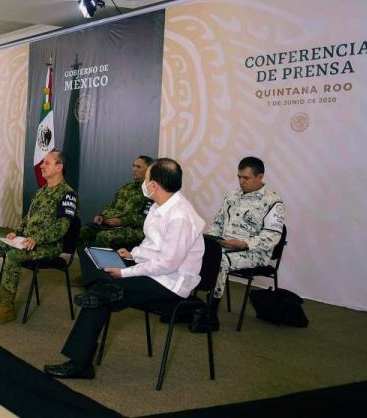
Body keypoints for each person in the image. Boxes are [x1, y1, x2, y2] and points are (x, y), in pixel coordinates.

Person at [44, 158, 205, 379]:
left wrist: (125, 272)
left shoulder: (180, 216)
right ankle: (104, 288)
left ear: (155, 185)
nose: (144, 184)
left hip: (169, 282)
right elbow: (151, 245)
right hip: (150, 269)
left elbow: (167, 264)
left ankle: (80, 364)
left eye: (147, 179)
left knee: (100, 297)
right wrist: (131, 254)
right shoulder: (160, 206)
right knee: (90, 250)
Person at [0, 150, 78, 324]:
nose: (41, 166)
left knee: (13, 255)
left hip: (47, 245)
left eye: (47, 163)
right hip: (25, 240)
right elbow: (28, 218)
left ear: (59, 167)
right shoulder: (42, 191)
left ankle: (7, 307)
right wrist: (16, 233)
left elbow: (62, 227)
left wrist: (37, 239)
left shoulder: (67, 194)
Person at [190, 156, 284, 333]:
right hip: (226, 246)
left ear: (260, 177)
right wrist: (211, 240)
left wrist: (244, 243)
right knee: (195, 252)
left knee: (220, 261)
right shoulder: (232, 196)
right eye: (239, 177)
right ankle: (187, 304)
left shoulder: (273, 201)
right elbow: (218, 223)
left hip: (254, 253)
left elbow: (272, 236)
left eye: (246, 178)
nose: (241, 181)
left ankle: (210, 315)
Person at [72, 156, 154, 286]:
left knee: (103, 237)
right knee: (83, 232)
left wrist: (123, 221)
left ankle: (107, 278)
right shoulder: (126, 188)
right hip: (112, 225)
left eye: (138, 167)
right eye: (133, 165)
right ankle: (89, 274)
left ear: (149, 170)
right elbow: (112, 206)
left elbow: (147, 219)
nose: (134, 169)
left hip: (134, 229)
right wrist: (102, 216)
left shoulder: (151, 192)